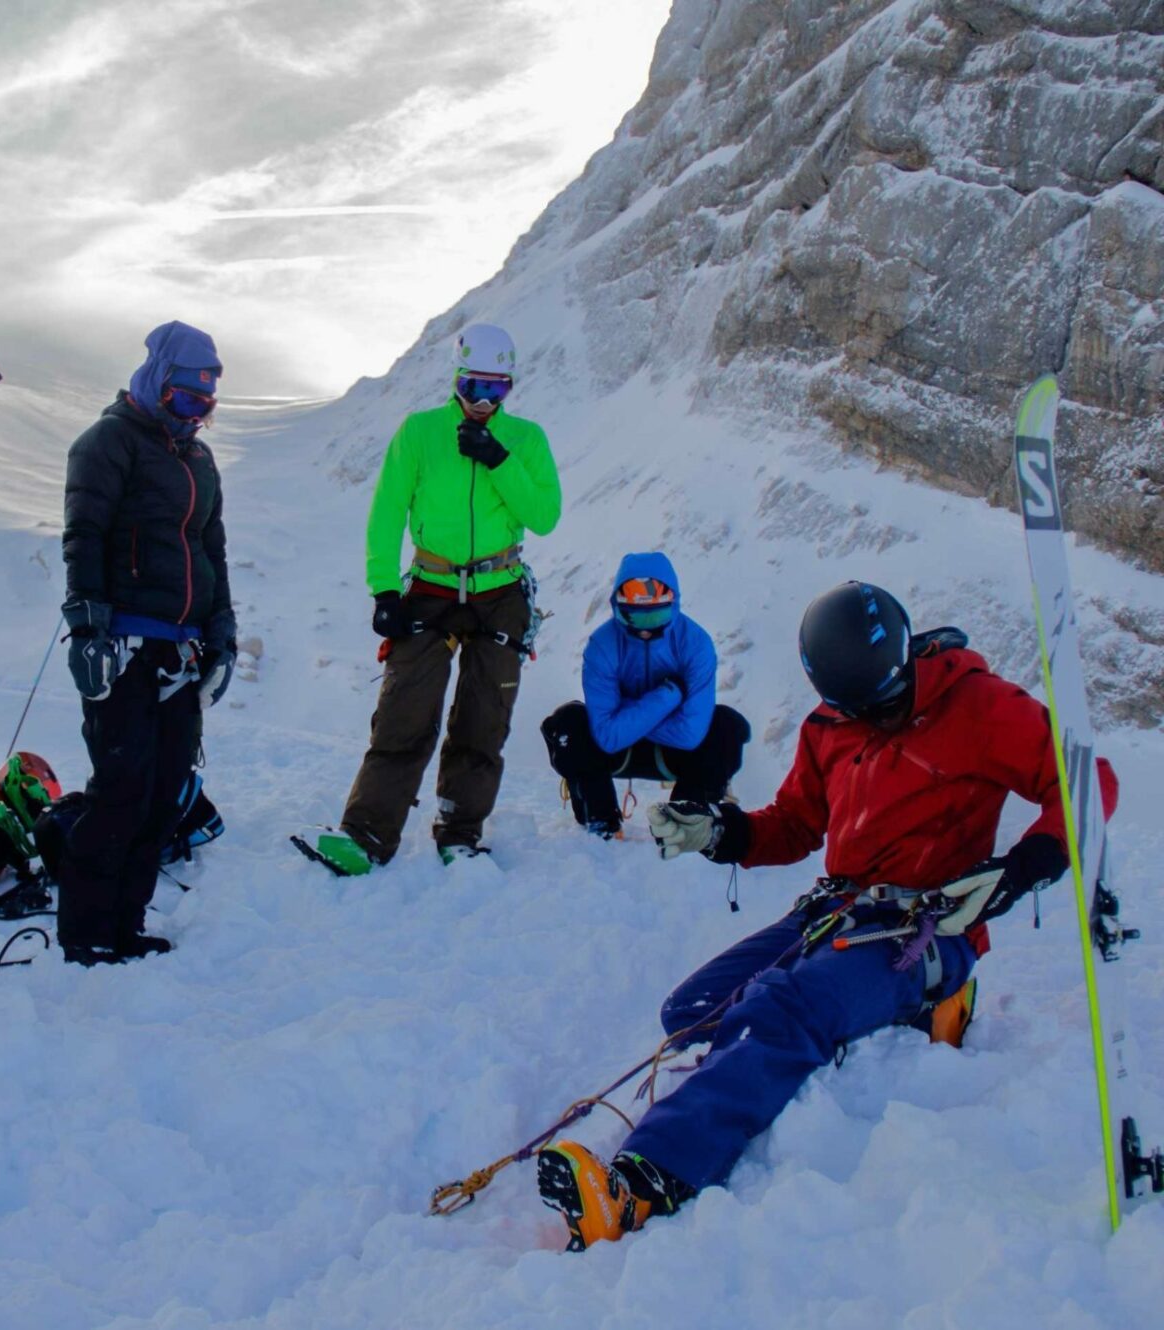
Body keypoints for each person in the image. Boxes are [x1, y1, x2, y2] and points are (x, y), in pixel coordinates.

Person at [536, 581, 1094, 1250]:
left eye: (884, 704)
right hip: (838, 909)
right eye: (858, 709)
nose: (874, 719)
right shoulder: (831, 725)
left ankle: (646, 1183)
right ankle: (894, 1018)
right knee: (694, 1011)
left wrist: (1023, 867)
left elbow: (1086, 784)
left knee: (781, 1011)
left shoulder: (978, 706)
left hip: (928, 929)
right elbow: (797, 823)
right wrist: (720, 833)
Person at [304, 324, 561, 874]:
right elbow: (386, 514)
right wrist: (384, 589)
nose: (484, 402)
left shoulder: (527, 440)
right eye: (474, 386)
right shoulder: (419, 433)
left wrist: (499, 459)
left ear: (511, 387)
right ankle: (367, 833)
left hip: (500, 589)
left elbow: (544, 515)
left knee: (483, 718)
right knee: (404, 711)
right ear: (456, 379)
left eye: (497, 389)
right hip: (431, 586)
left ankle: (459, 831)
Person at [58, 321, 234, 965]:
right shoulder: (108, 443)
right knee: (121, 790)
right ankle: (85, 930)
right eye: (187, 399)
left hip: (182, 648)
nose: (196, 414)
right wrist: (87, 629)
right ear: (159, 383)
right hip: (126, 643)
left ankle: (123, 925)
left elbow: (210, 550)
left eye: (206, 405)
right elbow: (85, 535)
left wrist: (223, 634)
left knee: (165, 793)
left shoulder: (197, 459)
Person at [541, 553, 750, 839]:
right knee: (568, 723)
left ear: (673, 605)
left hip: (668, 748)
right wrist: (669, 697)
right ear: (618, 607)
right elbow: (606, 737)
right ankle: (601, 822)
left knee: (726, 726)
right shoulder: (602, 645)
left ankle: (684, 824)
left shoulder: (695, 644)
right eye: (634, 615)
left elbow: (690, 734)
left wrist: (625, 715)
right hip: (621, 747)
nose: (645, 628)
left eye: (656, 615)